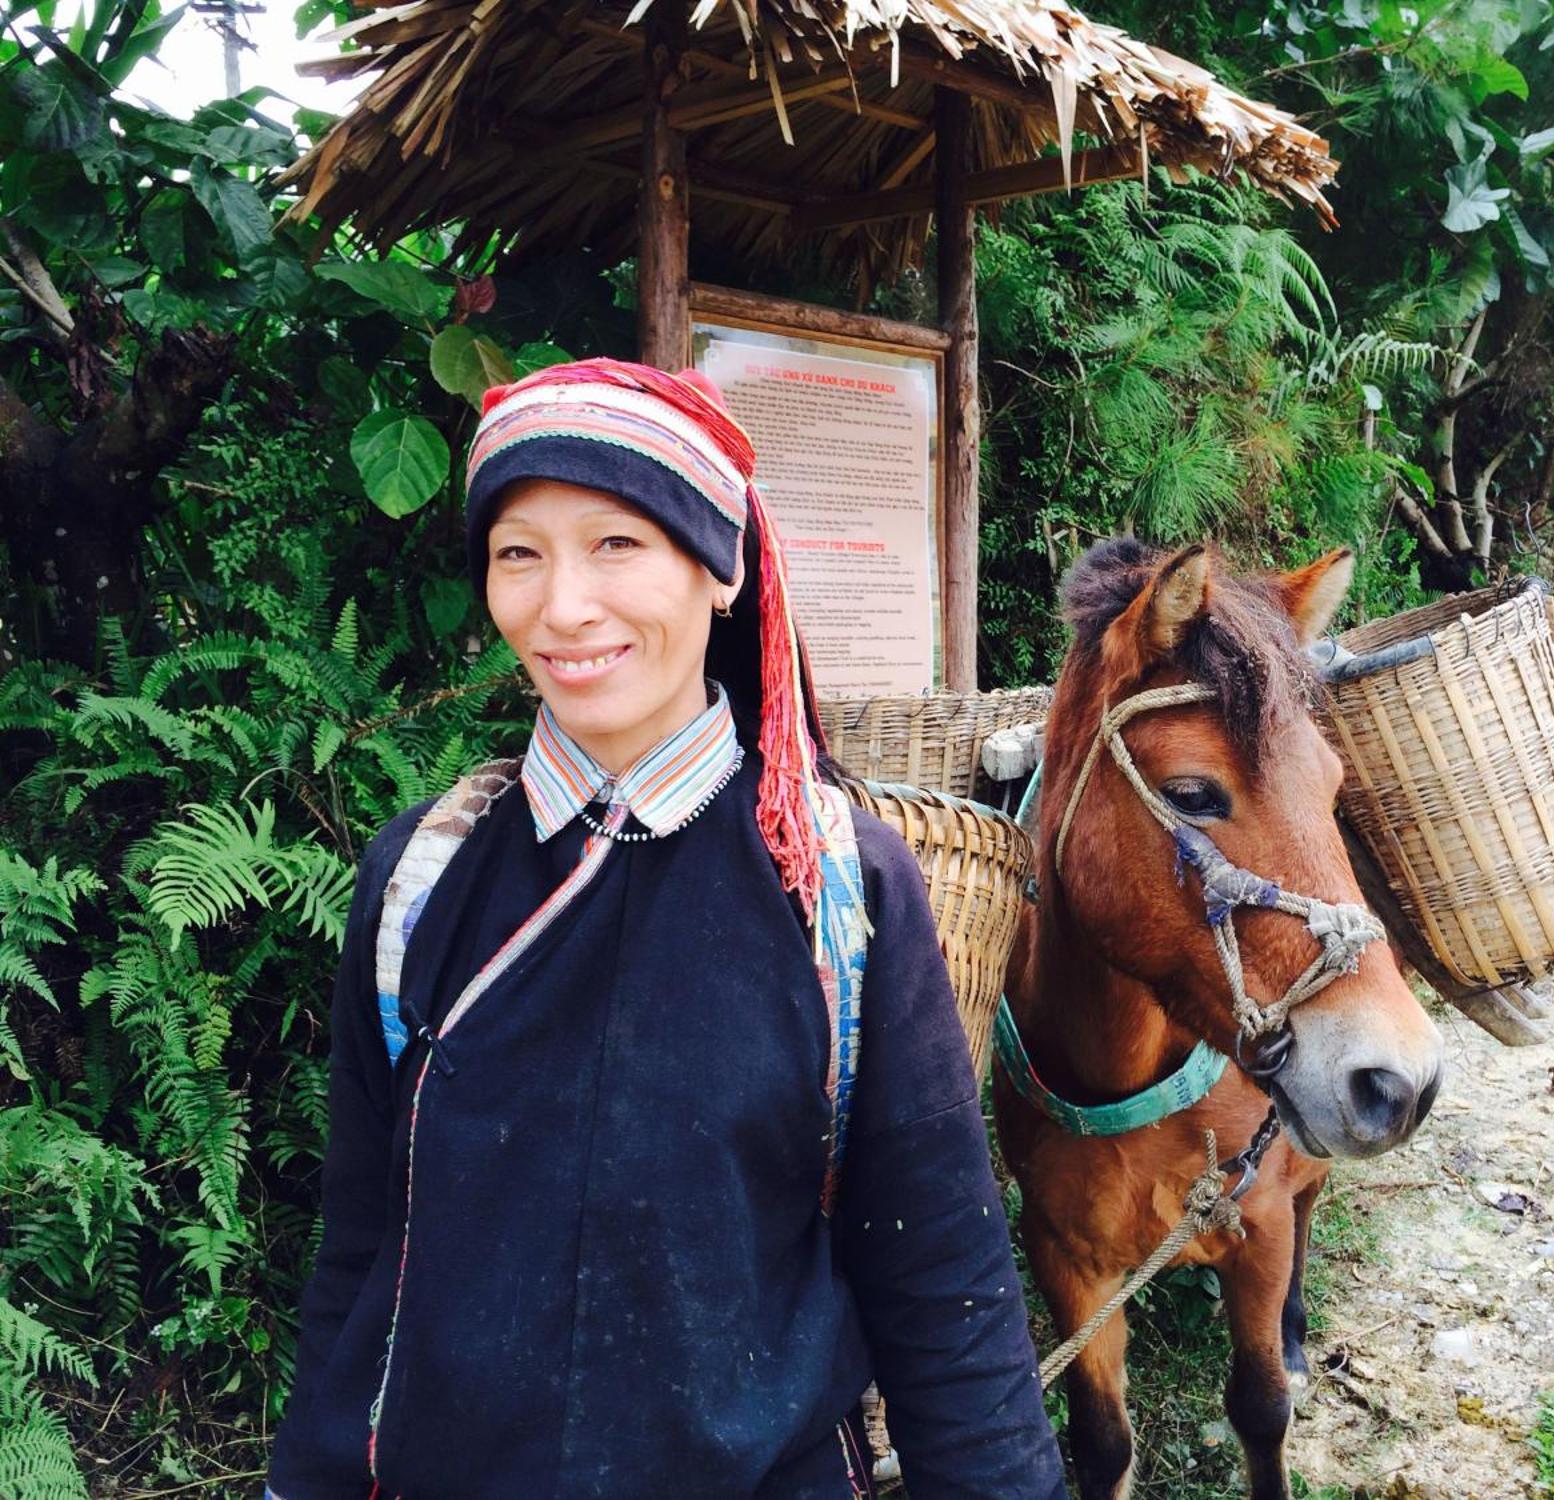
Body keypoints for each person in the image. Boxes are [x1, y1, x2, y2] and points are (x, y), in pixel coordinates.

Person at [265, 359, 1065, 1498]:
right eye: (517, 553)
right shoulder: (421, 874)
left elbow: (940, 1278)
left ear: (721, 566)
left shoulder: (841, 890)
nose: (562, 607)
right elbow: (361, 1246)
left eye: (616, 545)